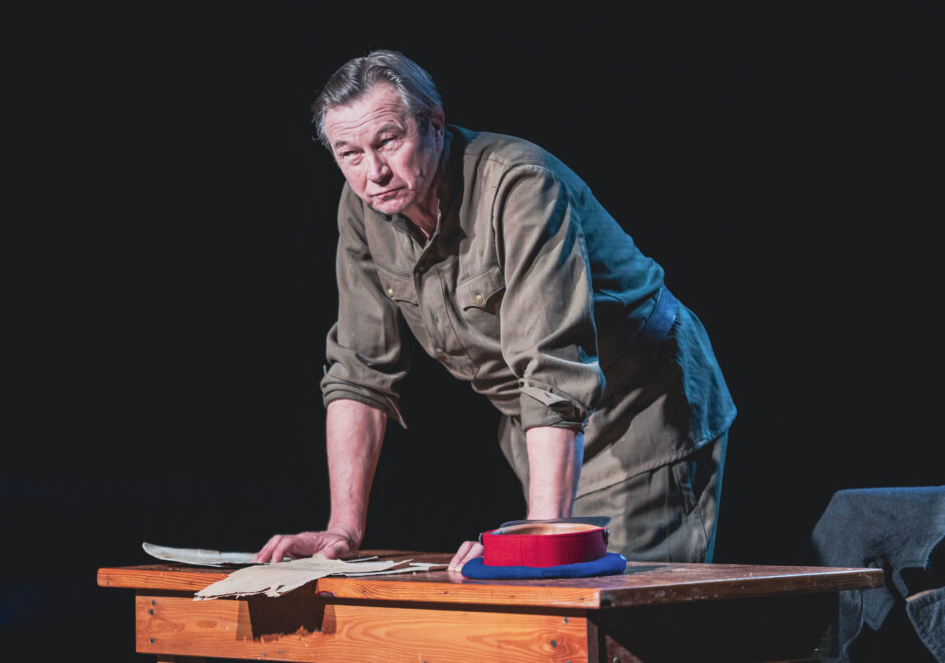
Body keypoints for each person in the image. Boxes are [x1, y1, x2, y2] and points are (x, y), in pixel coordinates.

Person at [256, 49, 736, 570]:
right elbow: (358, 371)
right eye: (349, 153)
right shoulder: (363, 209)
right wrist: (342, 530)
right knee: (546, 592)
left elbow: (554, 370)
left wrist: (539, 539)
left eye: (388, 140)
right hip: (543, 430)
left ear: (434, 124)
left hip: (639, 409)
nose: (374, 172)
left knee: (603, 596)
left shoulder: (520, 184)